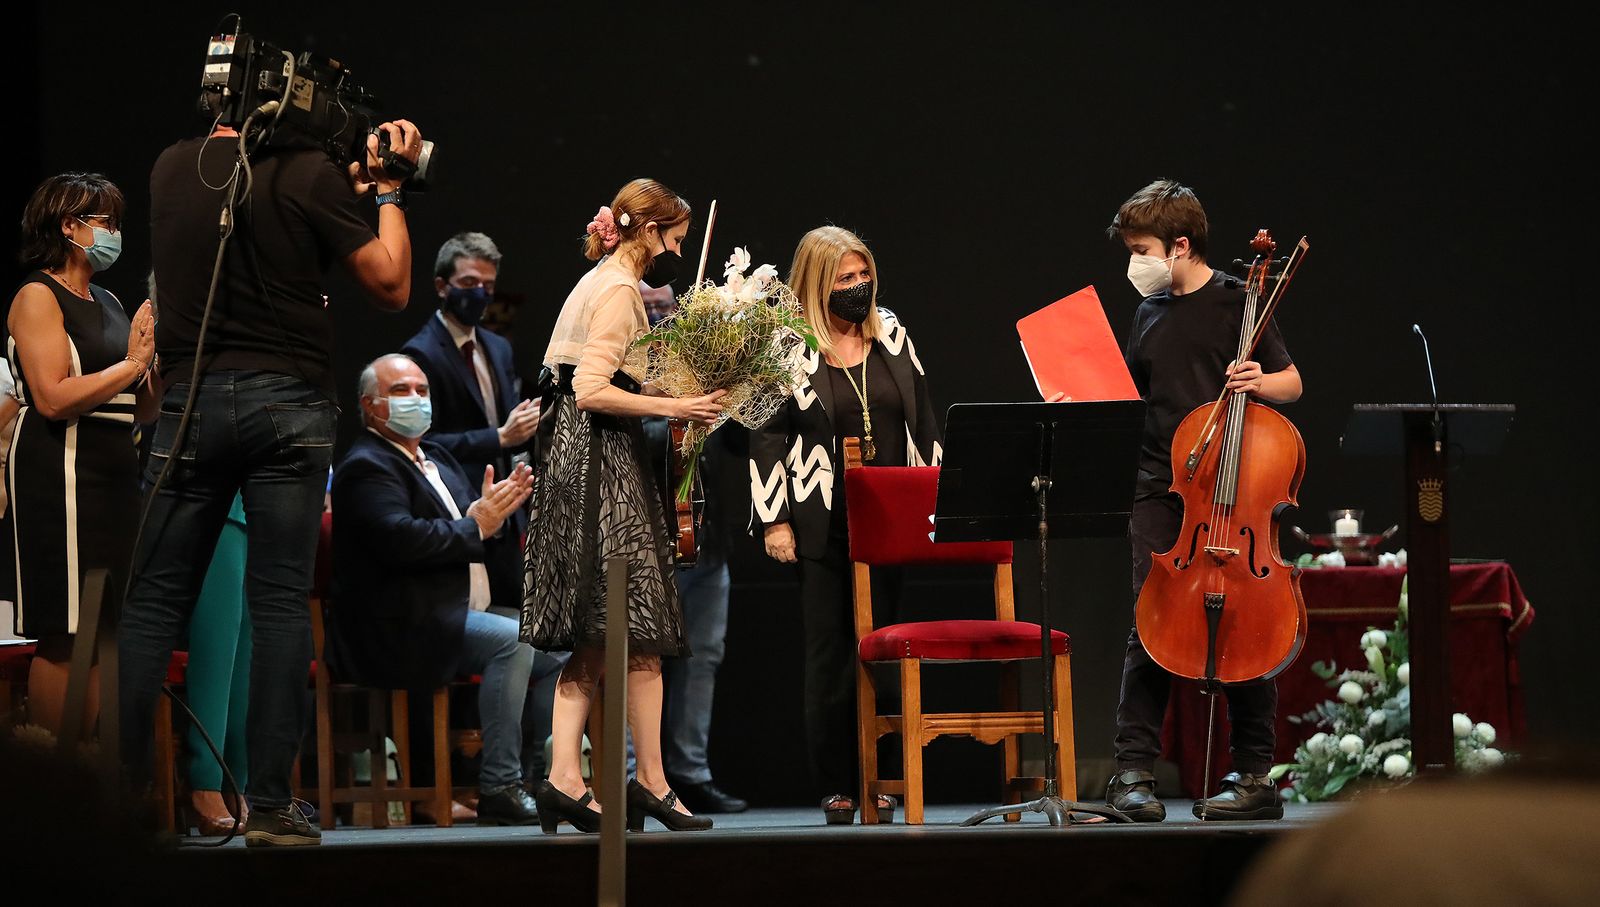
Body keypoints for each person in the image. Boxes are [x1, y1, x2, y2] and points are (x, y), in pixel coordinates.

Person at [117, 91, 425, 847]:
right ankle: (271, 806)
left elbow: (252, 221)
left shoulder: (170, 167)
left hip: (191, 400)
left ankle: (118, 801)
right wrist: (388, 190)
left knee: (152, 603)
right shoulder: (307, 171)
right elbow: (391, 284)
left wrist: (335, 187)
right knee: (281, 604)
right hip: (286, 404)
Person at [522, 178, 724, 834]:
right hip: (598, 467)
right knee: (626, 624)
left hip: (585, 460)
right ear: (650, 230)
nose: (679, 250)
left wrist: (689, 385)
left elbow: (615, 376)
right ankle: (611, 781)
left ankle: (597, 780)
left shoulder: (604, 282)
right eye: (676, 237)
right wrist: (679, 404)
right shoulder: (617, 290)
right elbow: (589, 389)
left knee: (619, 633)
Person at [1102, 178, 1302, 822]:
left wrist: (1260, 380)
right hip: (1159, 488)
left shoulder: (1240, 301)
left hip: (1233, 491)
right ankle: (1133, 771)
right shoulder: (1148, 312)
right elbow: (1134, 398)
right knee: (1151, 623)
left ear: (1180, 245)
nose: (1135, 263)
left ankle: (1253, 774)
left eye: (1142, 250)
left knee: (1247, 625)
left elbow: (1292, 382)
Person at [749, 225, 942, 824]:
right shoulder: (787, 346)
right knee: (830, 656)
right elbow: (765, 434)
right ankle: (837, 782)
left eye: (864, 275)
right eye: (844, 278)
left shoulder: (892, 334)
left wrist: (935, 498)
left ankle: (880, 779)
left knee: (883, 652)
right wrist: (774, 520)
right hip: (820, 519)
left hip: (889, 521)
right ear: (816, 284)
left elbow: (923, 420)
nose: (858, 287)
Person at [329, 353, 541, 825]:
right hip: (401, 624)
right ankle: (500, 786)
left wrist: (495, 514)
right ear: (369, 406)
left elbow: (475, 523)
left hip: (450, 611)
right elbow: (400, 538)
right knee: (514, 641)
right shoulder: (366, 466)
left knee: (556, 644)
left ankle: (547, 779)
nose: (416, 399)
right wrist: (477, 524)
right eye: (401, 391)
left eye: (421, 390)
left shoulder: (436, 458)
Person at [2, 172, 155, 737]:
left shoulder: (109, 301)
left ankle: (90, 764)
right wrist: (132, 364)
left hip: (113, 472)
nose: (115, 233)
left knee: (103, 629)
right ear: (69, 226)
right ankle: (52, 769)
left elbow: (141, 409)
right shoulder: (37, 296)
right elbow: (51, 396)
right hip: (59, 471)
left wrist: (155, 362)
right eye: (105, 222)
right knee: (66, 633)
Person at [637, 281, 748, 814]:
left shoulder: (702, 366)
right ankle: (636, 774)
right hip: (648, 541)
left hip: (706, 537)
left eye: (666, 306)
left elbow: (740, 442)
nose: (660, 316)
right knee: (642, 658)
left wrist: (734, 386)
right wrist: (671, 408)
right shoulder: (622, 370)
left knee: (703, 657)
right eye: (649, 308)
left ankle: (691, 771)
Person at [400, 231, 539, 612]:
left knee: (519, 623)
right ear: (442, 286)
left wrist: (531, 421)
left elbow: (510, 425)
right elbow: (425, 444)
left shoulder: (498, 347)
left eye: (488, 285)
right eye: (469, 283)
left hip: (508, 509)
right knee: (479, 623)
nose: (480, 293)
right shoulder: (420, 353)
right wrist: (499, 436)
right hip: (457, 508)